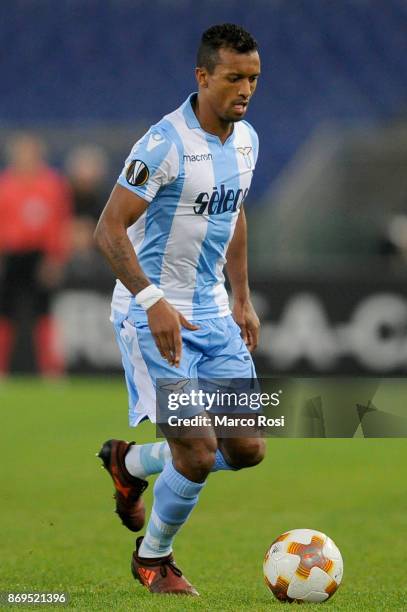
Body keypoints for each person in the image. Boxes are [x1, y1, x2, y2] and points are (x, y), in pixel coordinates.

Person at [95, 23, 264, 596]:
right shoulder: (163, 144)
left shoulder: (247, 140)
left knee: (246, 449)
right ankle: (154, 558)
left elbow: (235, 214)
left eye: (253, 79)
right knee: (196, 452)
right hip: (153, 315)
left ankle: (131, 463)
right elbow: (108, 229)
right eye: (233, 78)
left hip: (214, 313)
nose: (245, 90)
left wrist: (241, 297)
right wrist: (152, 300)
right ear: (202, 76)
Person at [0, 133, 71, 375]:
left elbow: (59, 223)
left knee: (45, 313)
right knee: (5, 313)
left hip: (40, 255)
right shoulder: (5, 184)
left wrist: (55, 258)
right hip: (11, 254)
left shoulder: (52, 184)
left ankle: (51, 369)